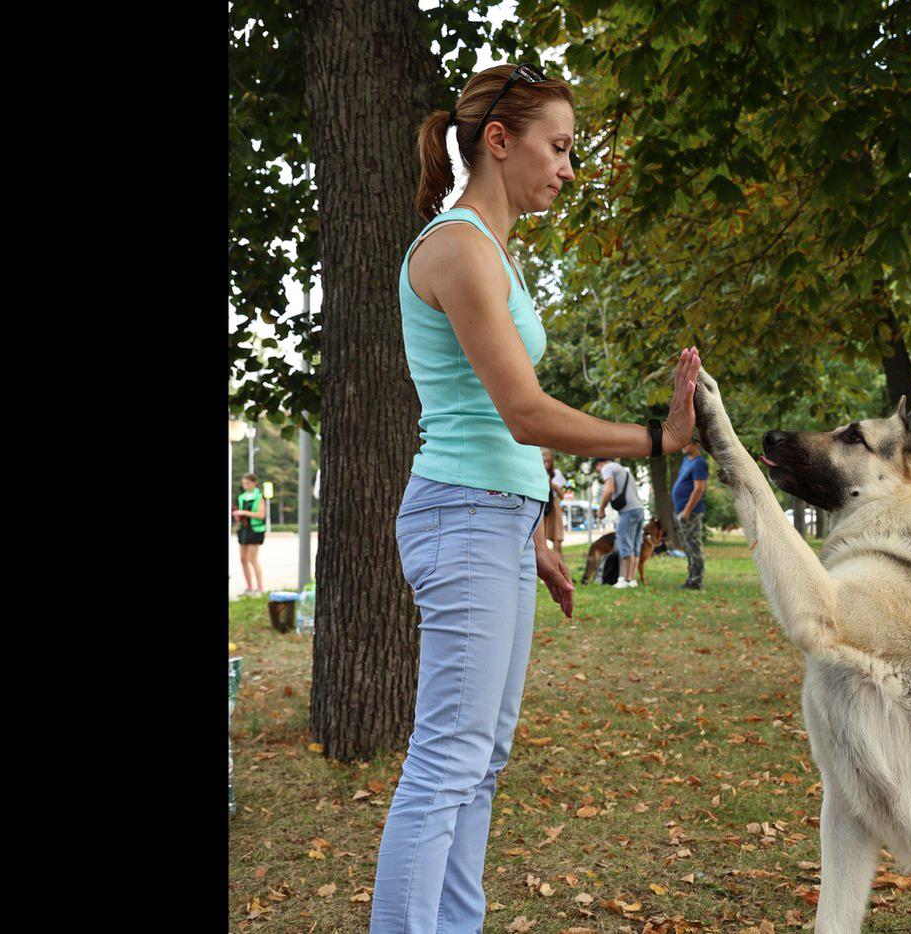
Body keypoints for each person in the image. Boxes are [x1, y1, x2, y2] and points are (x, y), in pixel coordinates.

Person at [372, 61, 703, 934]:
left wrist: (538, 532)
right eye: (557, 148)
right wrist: (658, 440)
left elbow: (491, 420)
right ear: (498, 140)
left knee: (480, 761)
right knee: (447, 761)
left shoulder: (496, 255)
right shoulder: (454, 247)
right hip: (461, 514)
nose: (567, 168)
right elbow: (522, 413)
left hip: (494, 520)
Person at [594, 456, 645, 588]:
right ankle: (632, 579)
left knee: (623, 542)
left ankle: (625, 579)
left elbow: (609, 489)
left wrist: (601, 509)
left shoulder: (607, 468)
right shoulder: (624, 470)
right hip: (639, 510)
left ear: (599, 464)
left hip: (628, 511)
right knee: (635, 544)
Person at [670, 440, 709, 590]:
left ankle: (696, 581)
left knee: (694, 547)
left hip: (690, 513)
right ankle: (690, 578)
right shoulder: (686, 460)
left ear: (696, 444)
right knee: (687, 547)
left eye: (686, 443)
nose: (682, 446)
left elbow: (698, 489)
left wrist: (687, 510)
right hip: (681, 511)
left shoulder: (700, 463)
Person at [231, 473, 267, 596]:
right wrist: (237, 515)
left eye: (247, 483)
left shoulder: (259, 497)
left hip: (255, 530)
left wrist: (245, 512)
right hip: (244, 530)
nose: (245, 486)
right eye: (243, 483)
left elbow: (261, 515)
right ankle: (249, 587)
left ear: (254, 483)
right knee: (243, 559)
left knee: (252, 559)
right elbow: (240, 517)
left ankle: (260, 587)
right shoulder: (242, 497)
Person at [541, 447, 567, 557]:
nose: (546, 464)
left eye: (548, 462)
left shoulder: (556, 474)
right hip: (542, 506)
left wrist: (554, 486)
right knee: (541, 539)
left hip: (554, 506)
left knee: (557, 540)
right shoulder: (536, 474)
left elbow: (562, 496)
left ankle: (560, 568)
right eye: (543, 461)